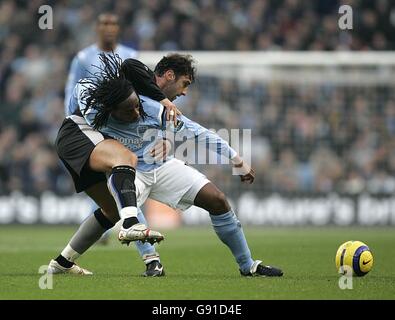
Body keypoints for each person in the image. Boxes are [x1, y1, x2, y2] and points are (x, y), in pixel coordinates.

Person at [56, 52, 283, 277]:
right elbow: (104, 80)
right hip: (130, 170)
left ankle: (248, 265)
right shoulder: (105, 102)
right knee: (126, 202)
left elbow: (200, 133)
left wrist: (236, 159)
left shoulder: (158, 109)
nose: (184, 92)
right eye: (184, 84)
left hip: (162, 166)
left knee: (218, 200)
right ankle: (152, 261)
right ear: (169, 75)